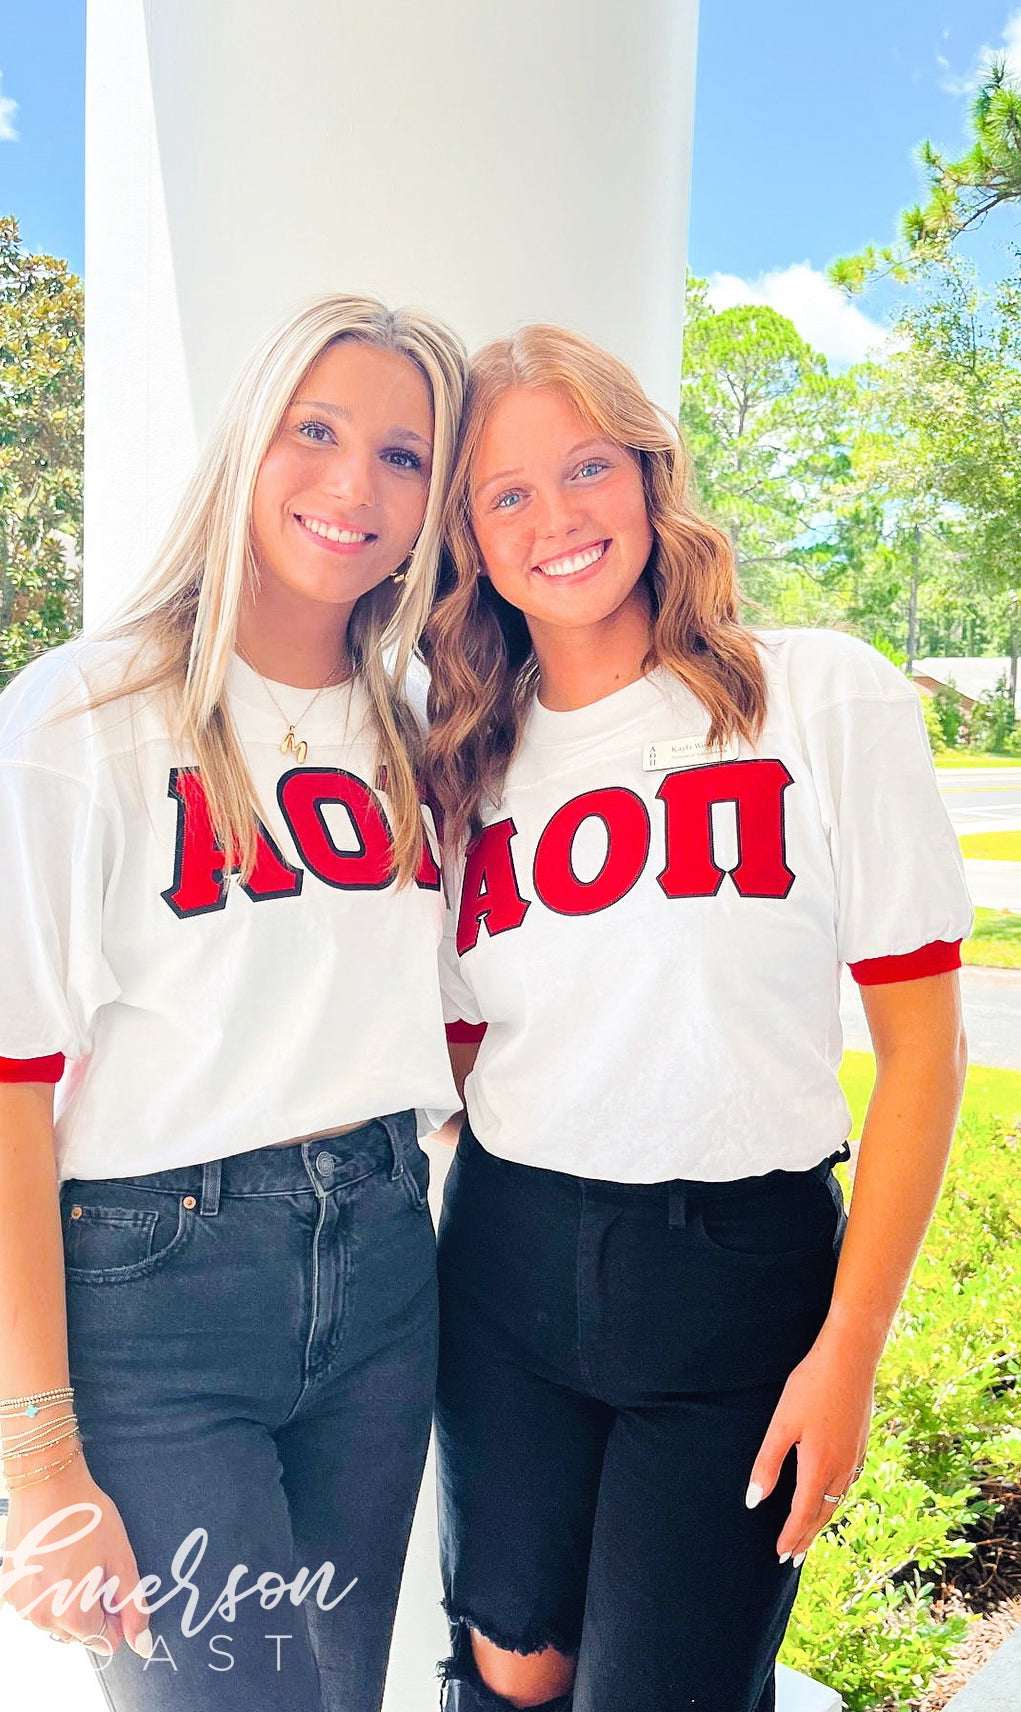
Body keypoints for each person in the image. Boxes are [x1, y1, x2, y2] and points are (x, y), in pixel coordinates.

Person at [0, 293, 467, 1712]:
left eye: (405, 456)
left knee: (337, 1697)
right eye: (318, 430)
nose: (354, 485)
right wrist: (42, 1458)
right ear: (247, 443)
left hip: (382, 1270)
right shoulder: (76, 722)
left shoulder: (423, 727)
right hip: (154, 1293)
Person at [421, 324, 971, 1712]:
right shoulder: (465, 753)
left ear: (650, 477)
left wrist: (847, 1350)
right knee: (508, 1662)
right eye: (505, 492)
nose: (555, 517)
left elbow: (920, 1049)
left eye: (586, 467)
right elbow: (461, 1038)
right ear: (471, 540)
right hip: (506, 1255)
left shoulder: (815, 693)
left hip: (738, 1278)